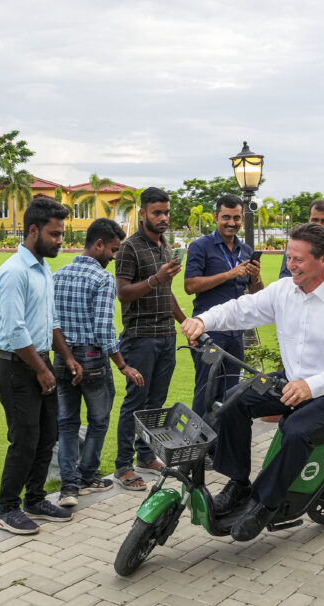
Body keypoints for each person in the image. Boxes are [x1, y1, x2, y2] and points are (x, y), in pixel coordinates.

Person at [180, 223, 324, 542]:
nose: (289, 265)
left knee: (295, 430)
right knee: (232, 401)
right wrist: (203, 320)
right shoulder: (285, 291)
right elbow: (242, 310)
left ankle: (264, 503)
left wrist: (312, 386)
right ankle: (238, 484)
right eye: (288, 257)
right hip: (294, 382)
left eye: (298, 259)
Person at [0, 197, 77, 534]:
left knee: (47, 435)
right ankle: (6, 508)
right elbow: (14, 330)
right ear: (33, 230)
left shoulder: (43, 269)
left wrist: (66, 357)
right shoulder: (14, 272)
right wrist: (41, 371)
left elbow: (49, 320)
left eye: (61, 234)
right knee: (24, 438)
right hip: (16, 366)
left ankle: (35, 498)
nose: (60, 240)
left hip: (40, 361)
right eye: (54, 234)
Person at [52, 218, 144, 507]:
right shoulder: (101, 279)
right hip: (92, 358)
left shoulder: (58, 274)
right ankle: (87, 477)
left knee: (67, 423)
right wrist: (122, 365)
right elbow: (104, 329)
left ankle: (68, 488)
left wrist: (66, 356)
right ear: (99, 244)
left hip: (62, 356)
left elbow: (51, 323)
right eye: (113, 250)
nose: (114, 257)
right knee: (99, 420)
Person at [113, 187, 186, 491]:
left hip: (166, 336)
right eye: (157, 212)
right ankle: (122, 465)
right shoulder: (130, 247)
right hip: (140, 337)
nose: (163, 218)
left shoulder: (166, 247)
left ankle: (145, 455)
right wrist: (156, 278)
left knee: (156, 403)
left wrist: (186, 323)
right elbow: (123, 293)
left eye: (166, 212)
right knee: (136, 402)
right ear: (142, 213)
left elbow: (165, 293)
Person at [183, 193, 263, 418]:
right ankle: (198, 448)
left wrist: (255, 277)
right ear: (216, 217)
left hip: (236, 331)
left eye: (236, 218)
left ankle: (221, 448)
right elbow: (190, 286)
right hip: (208, 330)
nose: (232, 223)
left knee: (230, 392)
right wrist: (229, 274)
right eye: (226, 217)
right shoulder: (201, 246)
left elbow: (257, 293)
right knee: (206, 390)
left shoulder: (245, 250)